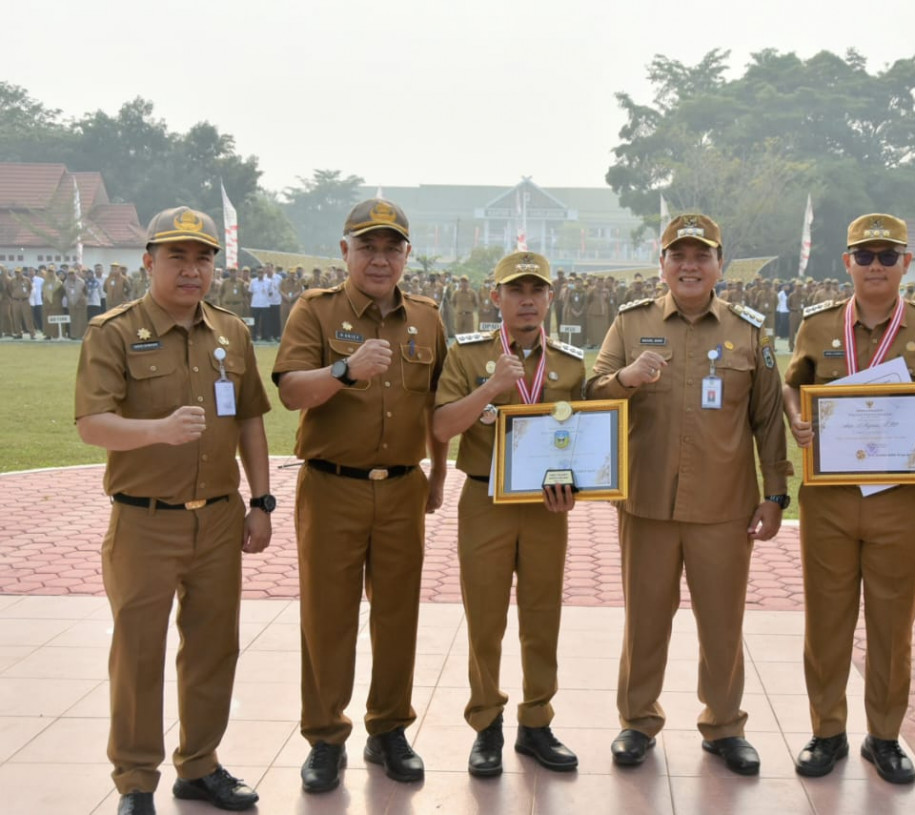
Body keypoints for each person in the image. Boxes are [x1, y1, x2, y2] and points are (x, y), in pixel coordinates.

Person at [75, 206, 271, 815]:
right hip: (144, 520)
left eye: (203, 257)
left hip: (217, 517)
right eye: (178, 257)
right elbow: (91, 425)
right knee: (138, 652)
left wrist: (261, 500)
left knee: (214, 647)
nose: (192, 270)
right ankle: (136, 781)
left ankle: (200, 766)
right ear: (149, 261)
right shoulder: (113, 331)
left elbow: (250, 422)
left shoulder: (231, 333)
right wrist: (157, 430)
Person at [587, 213, 791, 776]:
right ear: (663, 264)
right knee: (645, 618)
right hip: (648, 502)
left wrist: (776, 494)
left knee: (722, 622)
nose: (690, 265)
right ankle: (636, 722)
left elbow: (768, 419)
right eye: (678, 255)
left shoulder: (747, 331)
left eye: (701, 255)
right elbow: (592, 393)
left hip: (724, 507)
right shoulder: (630, 324)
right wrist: (627, 377)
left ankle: (724, 726)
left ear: (719, 264)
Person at [272, 198, 448, 793]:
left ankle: (389, 729)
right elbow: (292, 391)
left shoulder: (427, 317)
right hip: (331, 487)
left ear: (406, 256)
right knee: (328, 617)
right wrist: (344, 371)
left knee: (398, 615)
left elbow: (439, 407)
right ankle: (325, 736)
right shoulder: (313, 312)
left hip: (402, 487)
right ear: (344, 252)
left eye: (391, 247)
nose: (379, 258)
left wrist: (440, 474)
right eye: (367, 246)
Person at [784, 213, 915, 784]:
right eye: (865, 256)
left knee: (892, 620)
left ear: (906, 263)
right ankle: (826, 730)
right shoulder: (817, 326)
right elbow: (793, 384)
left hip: (899, 498)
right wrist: (796, 419)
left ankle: (884, 736)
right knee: (827, 617)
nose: (876, 266)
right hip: (830, 496)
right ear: (847, 263)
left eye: (888, 256)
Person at [433, 250, 585, 777]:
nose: (526, 299)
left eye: (536, 290)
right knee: (485, 618)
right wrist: (493, 387)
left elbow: (587, 439)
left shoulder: (570, 362)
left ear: (550, 297)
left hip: (547, 506)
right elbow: (442, 427)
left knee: (542, 617)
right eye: (515, 290)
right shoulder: (467, 356)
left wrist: (576, 485)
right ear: (494, 297)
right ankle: (486, 724)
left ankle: (537, 722)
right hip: (485, 499)